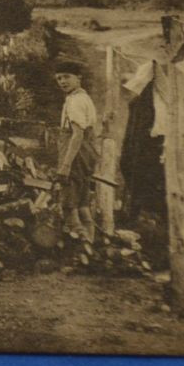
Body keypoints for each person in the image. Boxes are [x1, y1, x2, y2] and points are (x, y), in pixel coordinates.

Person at [52, 59, 100, 242]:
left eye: (66, 77)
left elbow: (77, 135)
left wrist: (65, 165)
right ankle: (91, 247)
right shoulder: (84, 98)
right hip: (85, 157)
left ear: (78, 77)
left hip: (75, 157)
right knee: (83, 203)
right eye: (59, 79)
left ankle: (82, 247)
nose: (62, 82)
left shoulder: (75, 102)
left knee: (69, 206)